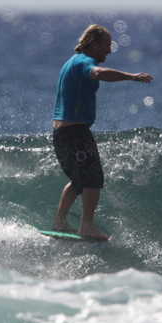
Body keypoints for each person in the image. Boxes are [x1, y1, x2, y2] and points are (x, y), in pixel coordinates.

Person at [51, 24, 153, 240]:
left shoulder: (70, 61)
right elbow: (97, 73)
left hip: (60, 134)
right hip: (75, 132)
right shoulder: (85, 61)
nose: (109, 50)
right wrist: (131, 76)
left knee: (79, 180)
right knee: (93, 178)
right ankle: (86, 226)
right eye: (107, 45)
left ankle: (60, 222)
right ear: (94, 44)